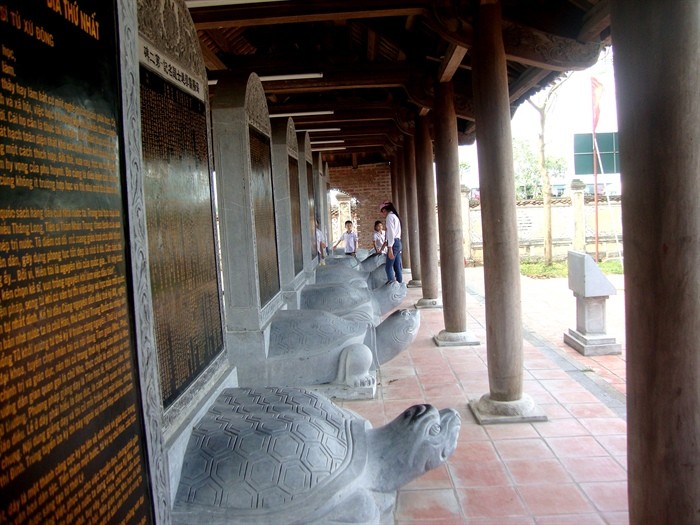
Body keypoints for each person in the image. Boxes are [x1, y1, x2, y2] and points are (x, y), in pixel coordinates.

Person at [379, 201, 402, 283]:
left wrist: (390, 248)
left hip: (393, 243)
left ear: (384, 210)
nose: (382, 214)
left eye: (382, 212)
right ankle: (399, 285)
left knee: (388, 267)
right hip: (397, 242)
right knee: (397, 267)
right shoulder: (395, 216)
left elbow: (391, 233)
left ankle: (392, 287)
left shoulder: (389, 217)